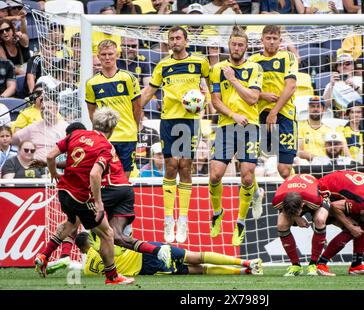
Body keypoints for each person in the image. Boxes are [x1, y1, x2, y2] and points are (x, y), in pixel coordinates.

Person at [34, 108, 134, 285]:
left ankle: (44, 255)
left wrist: (54, 173)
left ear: (94, 122)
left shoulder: (77, 134)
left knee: (71, 222)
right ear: (112, 129)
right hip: (81, 197)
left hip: (63, 191)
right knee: (107, 233)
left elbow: (50, 155)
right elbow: (95, 175)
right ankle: (112, 277)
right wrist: (99, 203)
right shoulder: (106, 147)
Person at [140, 26, 210, 244]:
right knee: (171, 166)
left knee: (185, 166)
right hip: (169, 120)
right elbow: (149, 91)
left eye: (178, 37)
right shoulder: (163, 65)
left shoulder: (200, 62)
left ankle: (184, 217)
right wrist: (132, 111)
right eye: (171, 38)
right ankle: (169, 218)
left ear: (186, 41)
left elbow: (211, 88)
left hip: (189, 120)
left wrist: (203, 101)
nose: (175, 41)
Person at [208, 25, 263, 246]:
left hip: (250, 127)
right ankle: (217, 213)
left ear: (246, 47)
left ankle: (240, 222)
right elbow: (215, 100)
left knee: (247, 177)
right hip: (226, 126)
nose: (237, 47)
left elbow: (252, 99)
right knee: (214, 175)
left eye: (241, 44)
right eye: (233, 44)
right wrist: (232, 114)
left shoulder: (255, 68)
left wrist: (232, 80)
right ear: (228, 45)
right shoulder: (217, 68)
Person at [247, 25, 298, 218]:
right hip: (257, 115)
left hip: (283, 115)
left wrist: (274, 112)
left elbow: (291, 86)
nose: (271, 41)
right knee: (246, 163)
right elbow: (245, 90)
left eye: (274, 38)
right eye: (268, 38)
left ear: (280, 40)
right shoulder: (253, 61)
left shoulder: (288, 58)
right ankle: (256, 192)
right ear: (261, 39)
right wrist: (261, 95)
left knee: (284, 170)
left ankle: (298, 198)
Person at [47, 231, 263, 276]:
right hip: (149, 251)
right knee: (195, 256)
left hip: (148, 269)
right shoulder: (106, 246)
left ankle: (244, 273)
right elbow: (126, 241)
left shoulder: (88, 268)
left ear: (80, 249)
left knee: (196, 270)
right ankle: (246, 262)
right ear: (90, 241)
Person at [86, 39, 142, 177]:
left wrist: (133, 127)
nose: (107, 57)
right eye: (103, 54)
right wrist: (99, 134)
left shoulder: (128, 78)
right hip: (106, 138)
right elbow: (92, 112)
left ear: (117, 54)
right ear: (98, 57)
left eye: (110, 54)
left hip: (127, 136)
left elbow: (138, 107)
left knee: (124, 178)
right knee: (104, 177)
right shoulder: (92, 83)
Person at [272, 174, 330, 276]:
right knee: (281, 225)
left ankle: (313, 265)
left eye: (298, 212)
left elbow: (323, 203)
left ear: (302, 206)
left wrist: (317, 230)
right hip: (293, 192)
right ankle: (296, 266)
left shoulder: (314, 199)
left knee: (319, 220)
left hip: (315, 191)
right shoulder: (277, 200)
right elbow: (284, 209)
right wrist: (296, 218)